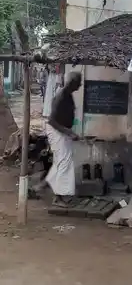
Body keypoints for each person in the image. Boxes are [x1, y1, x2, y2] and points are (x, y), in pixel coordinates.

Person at [46, 72, 82, 206]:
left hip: (62, 131)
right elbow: (52, 121)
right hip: (56, 131)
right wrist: (68, 132)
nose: (80, 85)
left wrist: (69, 132)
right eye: (79, 82)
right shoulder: (61, 96)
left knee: (63, 161)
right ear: (73, 83)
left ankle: (51, 187)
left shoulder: (68, 95)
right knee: (64, 162)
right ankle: (58, 198)